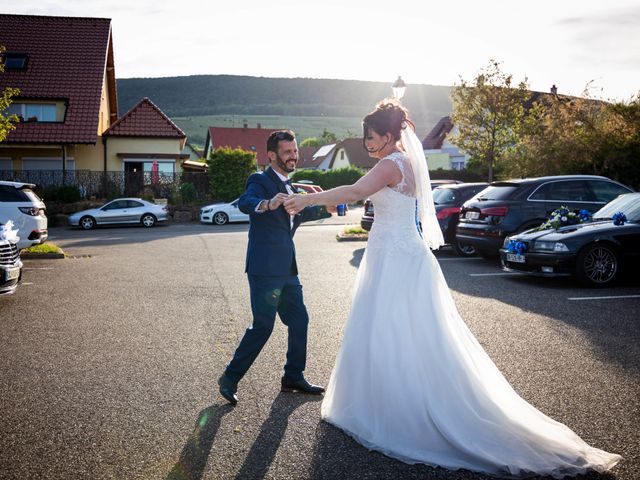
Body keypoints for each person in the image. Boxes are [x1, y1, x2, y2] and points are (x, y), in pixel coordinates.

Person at [283, 100, 621, 478]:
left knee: (388, 328)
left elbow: (353, 192)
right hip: (405, 253)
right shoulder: (406, 164)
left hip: (393, 258)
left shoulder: (388, 165)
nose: (368, 144)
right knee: (415, 332)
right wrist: (325, 198)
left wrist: (308, 199)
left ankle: (394, 410)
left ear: (391, 135)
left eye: (372, 137)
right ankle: (397, 397)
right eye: (366, 139)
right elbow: (370, 197)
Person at [218, 130, 325, 405]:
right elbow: (246, 202)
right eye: (287, 151)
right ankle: (229, 378)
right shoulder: (260, 180)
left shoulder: (292, 187)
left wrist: (326, 203)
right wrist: (267, 203)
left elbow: (300, 214)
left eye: (295, 150)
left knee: (300, 320)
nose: (293, 156)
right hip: (265, 269)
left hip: (288, 269)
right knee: (263, 327)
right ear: (272, 155)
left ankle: (293, 376)